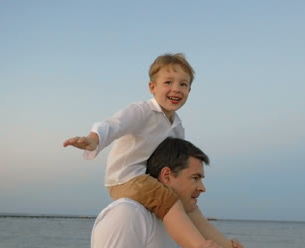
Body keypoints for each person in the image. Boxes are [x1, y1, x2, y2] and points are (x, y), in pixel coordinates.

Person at [63, 53, 240, 248]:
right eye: (168, 82)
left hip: (151, 179)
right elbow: (113, 125)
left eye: (183, 84)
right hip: (127, 178)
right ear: (152, 87)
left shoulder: (177, 127)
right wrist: (93, 139)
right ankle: (199, 246)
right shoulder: (142, 111)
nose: (176, 89)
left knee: (190, 208)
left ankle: (227, 245)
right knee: (171, 202)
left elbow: (176, 162)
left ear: (190, 90)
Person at [91, 137, 241, 248]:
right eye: (195, 178)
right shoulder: (128, 214)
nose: (202, 188)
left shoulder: (180, 224)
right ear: (167, 176)